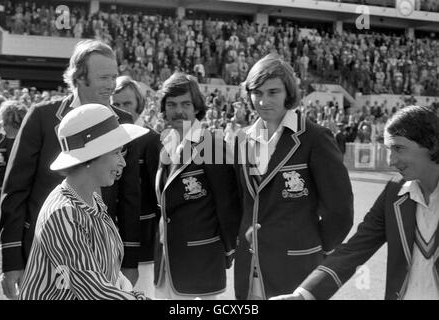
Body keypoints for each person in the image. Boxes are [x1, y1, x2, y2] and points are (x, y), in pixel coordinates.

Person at [0, 40, 143, 299]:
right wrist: (11, 259)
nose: (112, 85)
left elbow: (130, 196)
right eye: (103, 77)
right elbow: (15, 191)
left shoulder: (122, 121)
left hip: (102, 256)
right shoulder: (41, 116)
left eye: (114, 76)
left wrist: (129, 258)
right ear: (79, 77)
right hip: (45, 253)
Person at [271, 105, 439, 300]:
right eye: (388, 149)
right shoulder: (394, 193)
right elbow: (354, 249)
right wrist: (304, 296)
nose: (391, 160)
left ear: (432, 144)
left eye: (399, 148)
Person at [234, 54, 354, 300]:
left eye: (273, 92)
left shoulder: (316, 138)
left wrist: (315, 247)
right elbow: (242, 201)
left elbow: (340, 209)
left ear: (288, 93)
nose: (263, 100)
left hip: (297, 268)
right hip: (249, 268)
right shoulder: (242, 138)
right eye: (256, 92)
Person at [18, 103, 149, 300]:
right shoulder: (63, 213)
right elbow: (94, 291)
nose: (122, 162)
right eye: (116, 152)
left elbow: (107, 274)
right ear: (90, 157)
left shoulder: (92, 200)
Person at [154, 72, 241, 299]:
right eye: (171, 104)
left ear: (196, 108)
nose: (178, 111)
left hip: (200, 261)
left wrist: (229, 251)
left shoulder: (211, 144)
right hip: (166, 261)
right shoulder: (165, 143)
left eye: (186, 104)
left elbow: (228, 204)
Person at [111, 76, 161, 297]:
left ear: (139, 105)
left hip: (143, 241)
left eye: (127, 104)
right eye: (116, 104)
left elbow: (156, 194)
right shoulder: (108, 138)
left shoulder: (151, 139)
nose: (121, 109)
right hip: (112, 239)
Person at [0, 99, 27, 300]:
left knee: (0, 253)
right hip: (14, 208)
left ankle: (1, 295)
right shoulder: (29, 140)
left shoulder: (3, 141)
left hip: (0, 208)